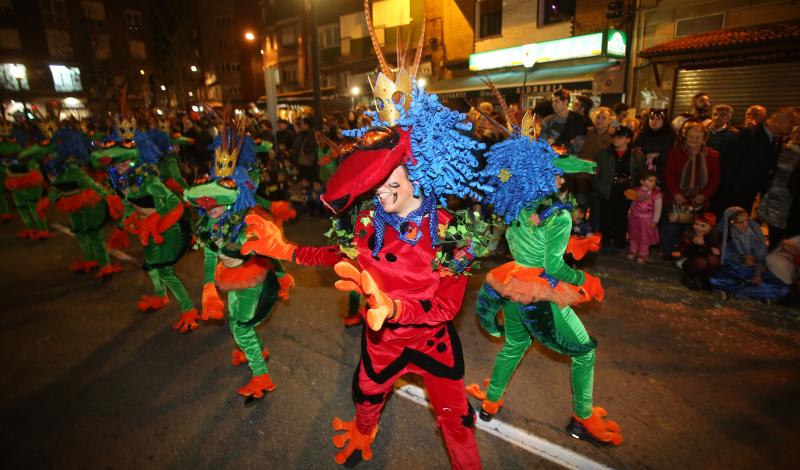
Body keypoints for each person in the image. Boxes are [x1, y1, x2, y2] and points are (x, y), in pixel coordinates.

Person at [235, 28, 487, 465]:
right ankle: (363, 434)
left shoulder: (453, 233)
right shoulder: (372, 220)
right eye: (376, 184)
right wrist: (285, 250)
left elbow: (446, 309)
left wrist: (395, 308)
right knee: (367, 394)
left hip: (432, 345)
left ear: (417, 174)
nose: (380, 193)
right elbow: (336, 256)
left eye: (390, 182)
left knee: (456, 419)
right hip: (382, 341)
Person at [465, 111, 620, 446]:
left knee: (515, 344)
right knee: (584, 352)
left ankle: (491, 403)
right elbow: (554, 268)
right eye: (558, 175)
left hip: (513, 284)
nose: (563, 180)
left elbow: (529, 245)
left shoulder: (516, 203)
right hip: (540, 292)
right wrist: (584, 280)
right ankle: (582, 418)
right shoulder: (559, 215)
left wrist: (573, 244)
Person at [185, 115, 295, 401]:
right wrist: (209, 285)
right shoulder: (208, 225)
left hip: (254, 278)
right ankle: (255, 349)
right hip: (231, 278)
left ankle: (262, 376)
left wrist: (282, 275)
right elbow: (210, 255)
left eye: (218, 204)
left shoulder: (246, 222)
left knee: (240, 327)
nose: (213, 210)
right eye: (208, 205)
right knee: (236, 320)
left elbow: (268, 252)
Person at [96, 116, 199, 334]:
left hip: (166, 229)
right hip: (146, 229)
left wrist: (156, 217)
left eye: (126, 163)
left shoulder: (148, 180)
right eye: (118, 164)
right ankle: (160, 296)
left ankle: (189, 309)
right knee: (152, 267)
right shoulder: (123, 183)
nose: (123, 167)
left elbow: (173, 202)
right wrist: (122, 228)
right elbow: (128, 207)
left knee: (166, 271)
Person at [661, 122, 720, 260]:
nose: (694, 140)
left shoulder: (712, 155)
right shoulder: (675, 153)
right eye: (691, 137)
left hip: (698, 200)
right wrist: (676, 193)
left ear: (704, 138)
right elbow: (668, 175)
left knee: (692, 231)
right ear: (685, 137)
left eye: (698, 137)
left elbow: (715, 178)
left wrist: (704, 195)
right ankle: (669, 253)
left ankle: (687, 256)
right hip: (677, 198)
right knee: (672, 229)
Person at [711, 207, 789, 302]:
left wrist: (758, 274)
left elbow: (761, 257)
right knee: (716, 280)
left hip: (754, 270)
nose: (745, 225)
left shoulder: (754, 234)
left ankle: (736, 295)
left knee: (782, 288)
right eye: (740, 222)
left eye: (746, 221)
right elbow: (727, 255)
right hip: (734, 270)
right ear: (731, 223)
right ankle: (755, 295)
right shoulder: (727, 236)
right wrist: (741, 259)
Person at [592, 125, 645, 250]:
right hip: (608, 188)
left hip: (626, 188)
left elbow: (641, 172)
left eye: (620, 137)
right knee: (606, 215)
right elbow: (594, 172)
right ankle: (605, 241)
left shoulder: (636, 155)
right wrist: (599, 186)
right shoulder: (603, 154)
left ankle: (619, 241)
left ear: (628, 139)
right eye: (615, 137)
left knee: (622, 216)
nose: (616, 140)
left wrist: (636, 188)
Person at [757, 125, 800, 247]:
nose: (797, 135)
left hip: (795, 202)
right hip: (777, 198)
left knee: (792, 236)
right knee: (776, 236)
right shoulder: (782, 149)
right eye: (795, 132)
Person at [707, 104, 739, 215]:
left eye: (722, 115)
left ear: (728, 118)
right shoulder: (703, 130)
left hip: (720, 178)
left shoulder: (733, 135)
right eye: (715, 114)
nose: (717, 117)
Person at [626, 170, 662, 263]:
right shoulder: (635, 191)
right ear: (642, 181)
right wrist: (630, 213)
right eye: (650, 180)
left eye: (654, 181)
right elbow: (632, 203)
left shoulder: (656, 194)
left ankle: (643, 253)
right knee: (633, 234)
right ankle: (633, 250)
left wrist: (655, 221)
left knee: (644, 237)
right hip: (634, 217)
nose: (653, 183)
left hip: (647, 219)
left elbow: (658, 209)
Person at [679, 212, 720, 291]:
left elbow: (716, 249)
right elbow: (683, 252)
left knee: (714, 260)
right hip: (689, 260)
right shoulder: (689, 233)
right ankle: (688, 277)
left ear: (711, 227)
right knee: (701, 262)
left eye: (703, 226)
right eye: (696, 224)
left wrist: (711, 248)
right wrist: (694, 243)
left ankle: (705, 279)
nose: (698, 228)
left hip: (706, 260)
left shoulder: (715, 235)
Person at [540, 88, 589, 154]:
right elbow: (542, 143)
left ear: (565, 102)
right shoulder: (548, 120)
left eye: (557, 101)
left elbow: (578, 147)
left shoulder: (578, 120)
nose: (553, 104)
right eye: (553, 101)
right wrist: (568, 142)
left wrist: (556, 142)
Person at [633, 108, 675, 181]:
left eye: (658, 119)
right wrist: (648, 155)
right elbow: (636, 151)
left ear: (664, 121)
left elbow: (667, 154)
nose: (654, 122)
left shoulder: (669, 136)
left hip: (661, 173)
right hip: (642, 172)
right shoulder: (642, 134)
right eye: (652, 118)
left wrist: (657, 156)